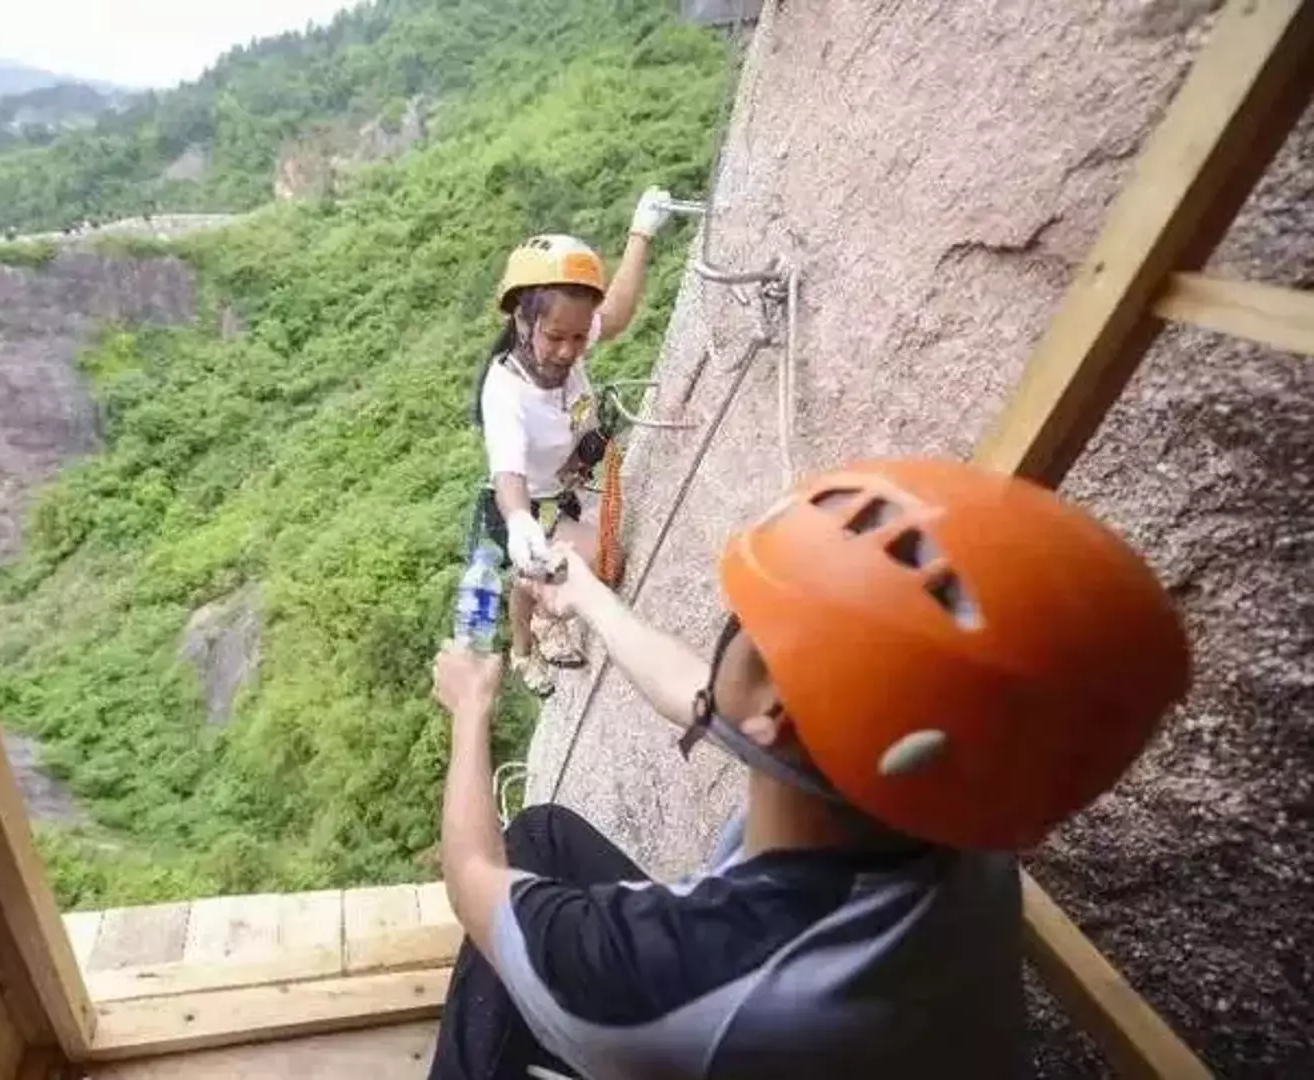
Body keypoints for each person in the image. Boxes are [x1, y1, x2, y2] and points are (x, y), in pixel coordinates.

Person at [428, 458, 1192, 1080]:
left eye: (747, 624)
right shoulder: (951, 793)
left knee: (511, 879)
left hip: (724, 1020)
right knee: (545, 837)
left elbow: (471, 878)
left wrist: (471, 710)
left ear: (777, 716)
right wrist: (589, 598)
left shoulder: (662, 977)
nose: (728, 632)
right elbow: (704, 690)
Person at [470, 188, 676, 697]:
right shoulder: (506, 392)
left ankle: (532, 615)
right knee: (602, 564)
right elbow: (508, 474)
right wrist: (519, 522)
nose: (568, 350)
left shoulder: (571, 328)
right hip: (529, 505)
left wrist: (641, 233)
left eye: (579, 338)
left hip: (562, 489)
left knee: (570, 562)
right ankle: (526, 642)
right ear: (522, 319)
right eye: (556, 337)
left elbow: (621, 311)